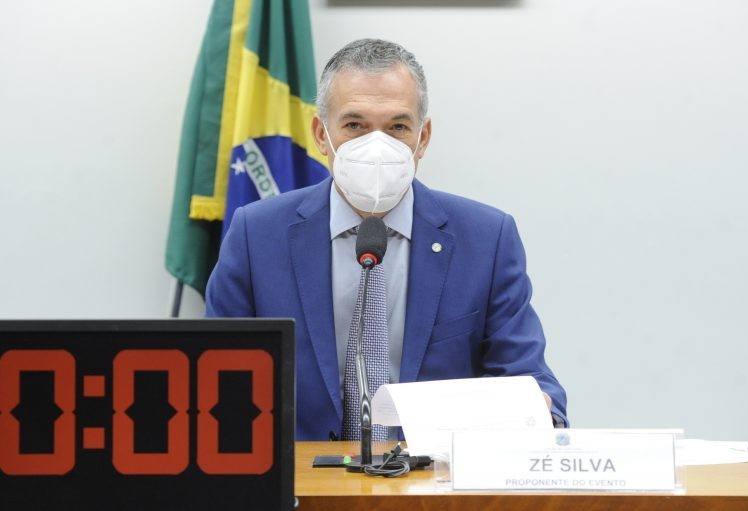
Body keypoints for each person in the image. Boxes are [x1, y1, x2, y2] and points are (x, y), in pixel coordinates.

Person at [205, 38, 567, 441]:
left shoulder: (486, 239)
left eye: (397, 126)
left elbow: (526, 376)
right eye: (355, 125)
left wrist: (540, 416)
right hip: (300, 487)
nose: (376, 146)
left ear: (423, 137)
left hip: (432, 489)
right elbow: (216, 381)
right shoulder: (257, 235)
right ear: (321, 135)